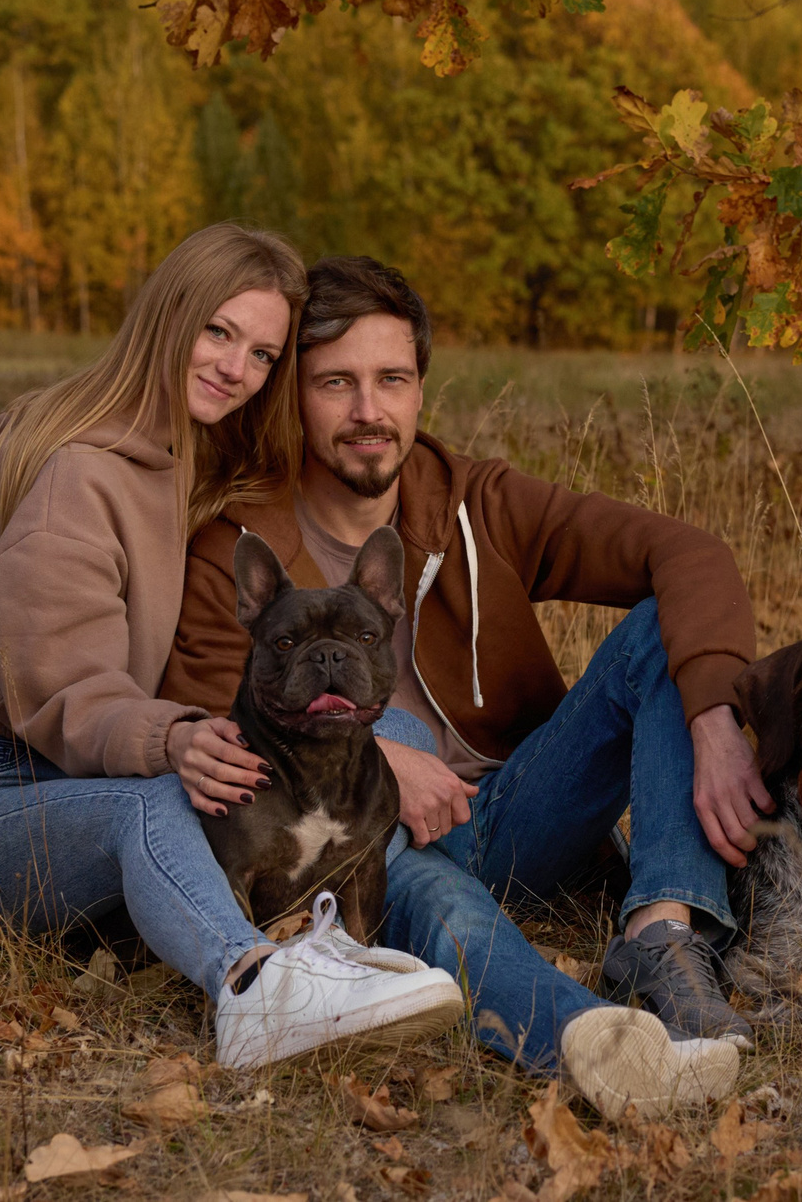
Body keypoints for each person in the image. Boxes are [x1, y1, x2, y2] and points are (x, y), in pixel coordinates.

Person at [163, 256, 768, 1119]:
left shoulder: (475, 502)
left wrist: (713, 715)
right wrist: (372, 755)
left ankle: (663, 932)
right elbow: (209, 728)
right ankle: (597, 1047)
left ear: (419, 389)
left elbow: (691, 554)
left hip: (520, 816)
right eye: (336, 382)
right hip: (364, 837)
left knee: (657, 636)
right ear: (291, 395)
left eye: (392, 379)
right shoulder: (237, 543)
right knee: (427, 840)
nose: (369, 410)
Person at [0, 225, 465, 1068]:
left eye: (261, 354)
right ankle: (255, 987)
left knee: (350, 756)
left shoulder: (186, 462)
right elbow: (65, 691)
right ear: (169, 318)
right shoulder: (75, 477)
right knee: (160, 798)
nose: (234, 368)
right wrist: (172, 737)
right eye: (218, 332)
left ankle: (336, 949)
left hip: (81, 797)